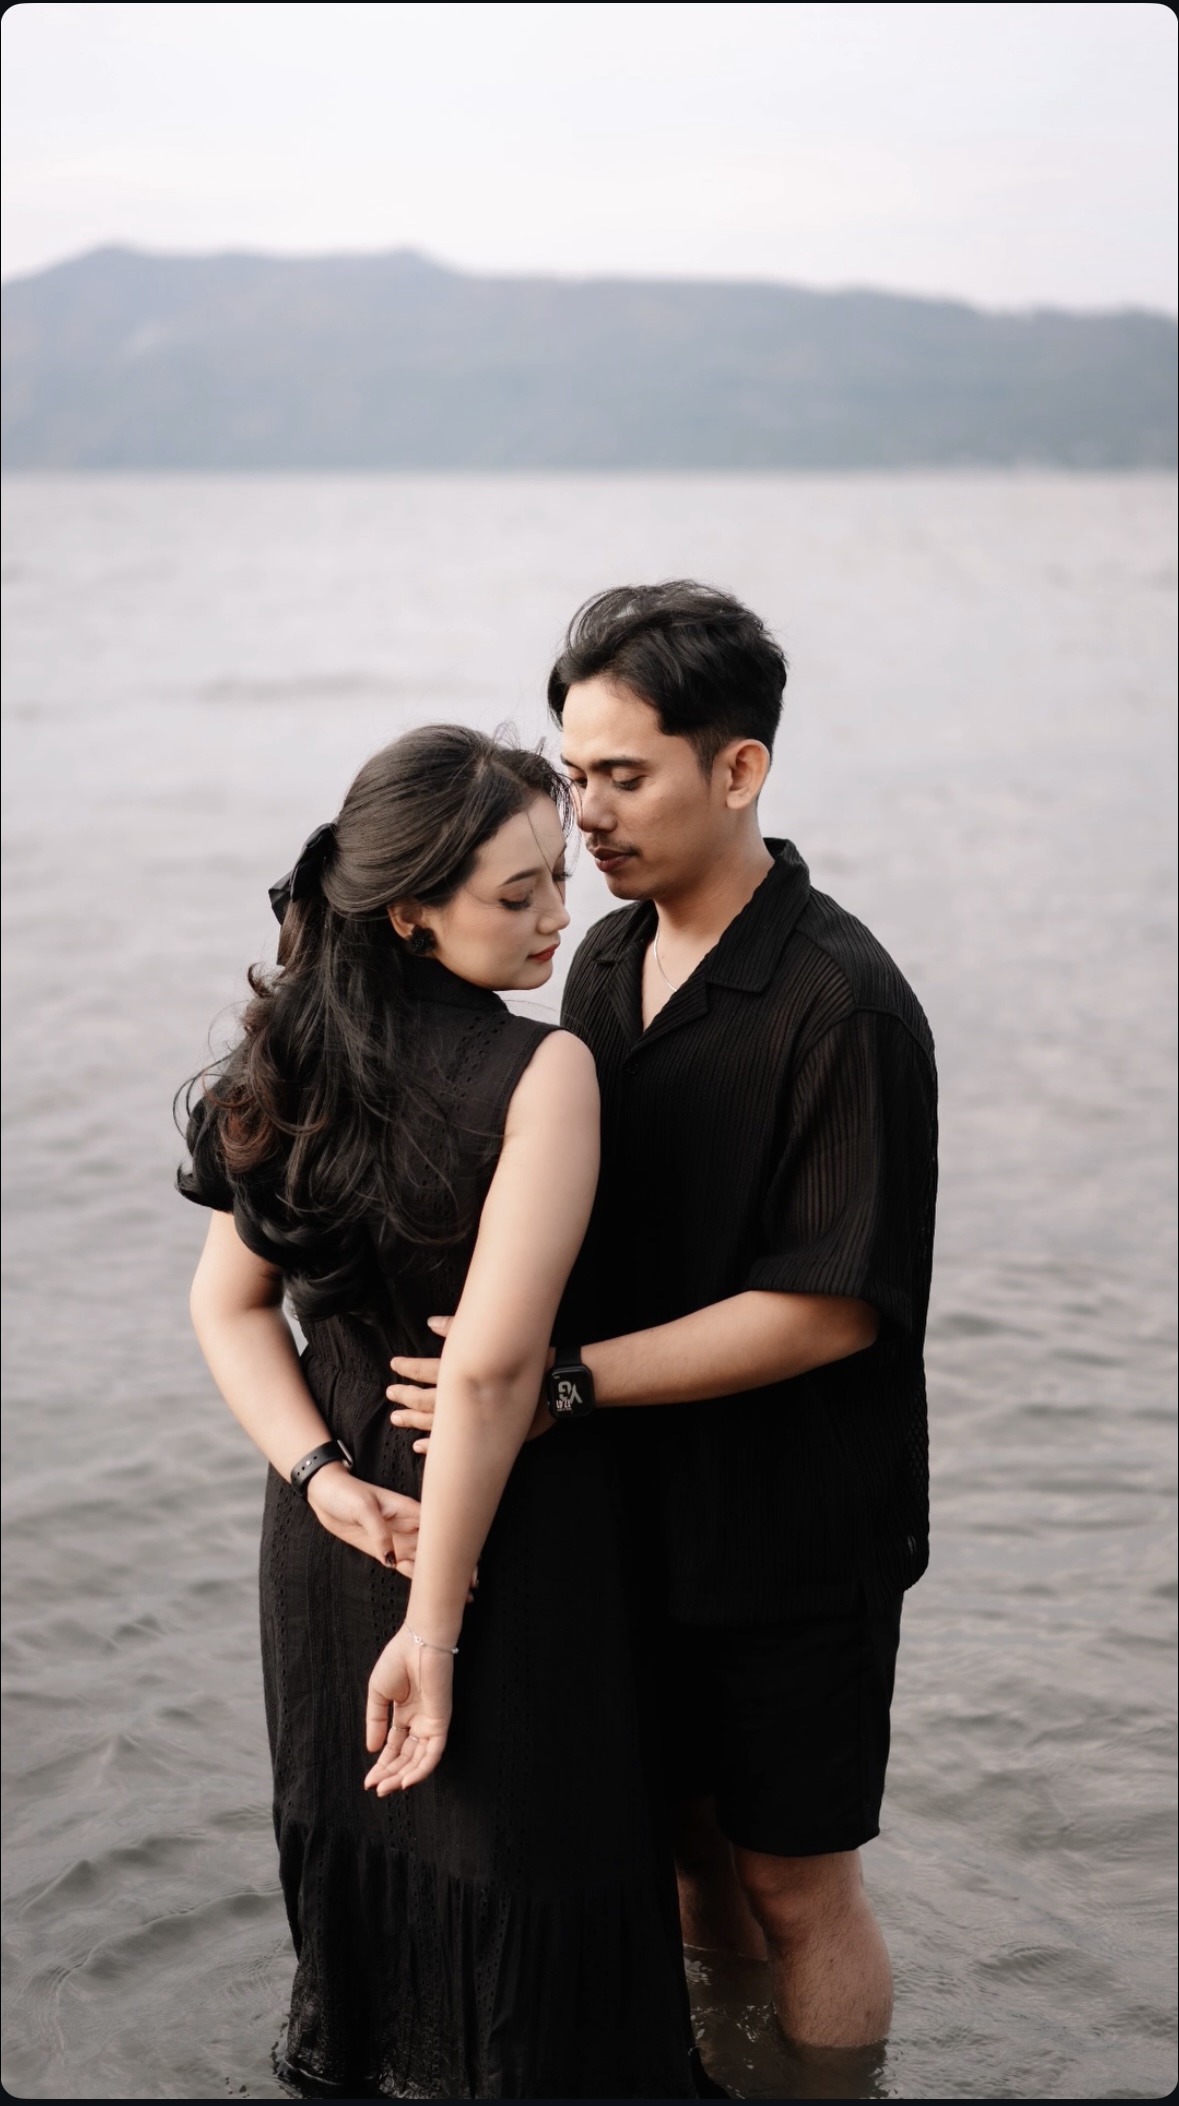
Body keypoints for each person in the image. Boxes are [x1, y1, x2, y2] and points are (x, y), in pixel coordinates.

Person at [388, 585, 938, 2066]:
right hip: (625, 1508)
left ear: (739, 767)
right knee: (686, 1848)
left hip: (794, 1523)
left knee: (796, 1879)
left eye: (623, 776)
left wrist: (553, 1386)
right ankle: (730, 2068)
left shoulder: (843, 1003)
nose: (586, 817)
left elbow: (828, 1311)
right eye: (576, 775)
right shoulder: (603, 962)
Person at [178, 725, 702, 2101]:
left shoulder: (290, 1055)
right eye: (517, 893)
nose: (558, 914)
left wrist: (318, 1476)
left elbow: (231, 1307)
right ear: (411, 910)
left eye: (557, 877)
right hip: (499, 1538)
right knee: (539, 1900)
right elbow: (485, 1375)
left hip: (335, 1533)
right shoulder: (546, 1070)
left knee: (367, 1917)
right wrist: (436, 1626)